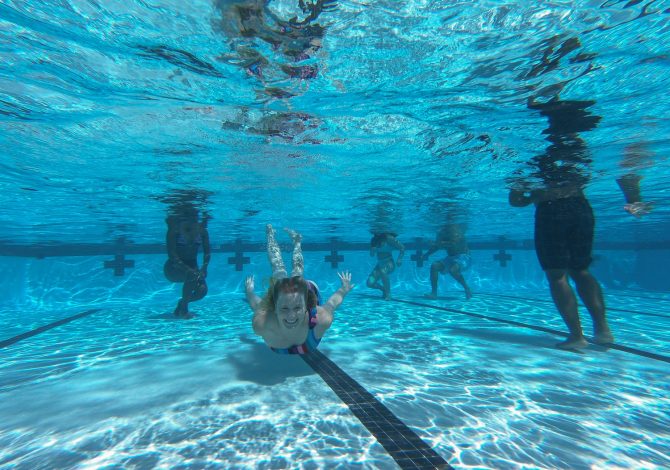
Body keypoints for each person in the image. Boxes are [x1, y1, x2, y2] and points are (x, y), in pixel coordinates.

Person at [508, 94, 614, 350]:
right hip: (581, 207)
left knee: (557, 276)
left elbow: (516, 200)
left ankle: (576, 337)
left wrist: (532, 193)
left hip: (552, 211)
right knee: (581, 270)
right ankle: (603, 331)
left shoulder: (539, 162)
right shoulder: (581, 154)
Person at [245, 224, 353, 354]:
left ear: (307, 305)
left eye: (297, 308)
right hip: (287, 296)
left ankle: (297, 241)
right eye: (284, 308)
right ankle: (271, 236)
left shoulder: (321, 320)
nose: (291, 316)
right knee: (278, 270)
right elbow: (257, 305)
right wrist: (249, 292)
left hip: (307, 292)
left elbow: (331, 304)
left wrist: (344, 289)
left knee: (295, 273)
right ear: (274, 306)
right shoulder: (262, 324)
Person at [164, 209, 211, 318]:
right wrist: (187, 270)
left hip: (192, 267)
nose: (192, 218)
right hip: (173, 268)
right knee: (191, 276)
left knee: (202, 291)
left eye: (194, 215)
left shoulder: (202, 230)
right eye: (188, 214)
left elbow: (207, 253)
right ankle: (184, 310)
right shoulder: (174, 230)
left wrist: (204, 268)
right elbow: (172, 255)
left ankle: (182, 302)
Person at [423, 224, 472, 300]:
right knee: (434, 266)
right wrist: (426, 255)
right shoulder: (441, 233)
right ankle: (434, 293)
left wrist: (438, 243)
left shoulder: (456, 230)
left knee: (453, 270)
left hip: (463, 256)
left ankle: (467, 288)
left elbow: (454, 244)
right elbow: (436, 247)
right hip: (450, 258)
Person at [366, 233, 404, 300]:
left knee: (383, 271)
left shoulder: (389, 238)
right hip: (379, 264)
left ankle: (388, 293)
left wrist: (400, 258)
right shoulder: (373, 240)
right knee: (369, 283)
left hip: (389, 262)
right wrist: (372, 250)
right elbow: (372, 255)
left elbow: (402, 247)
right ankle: (383, 289)